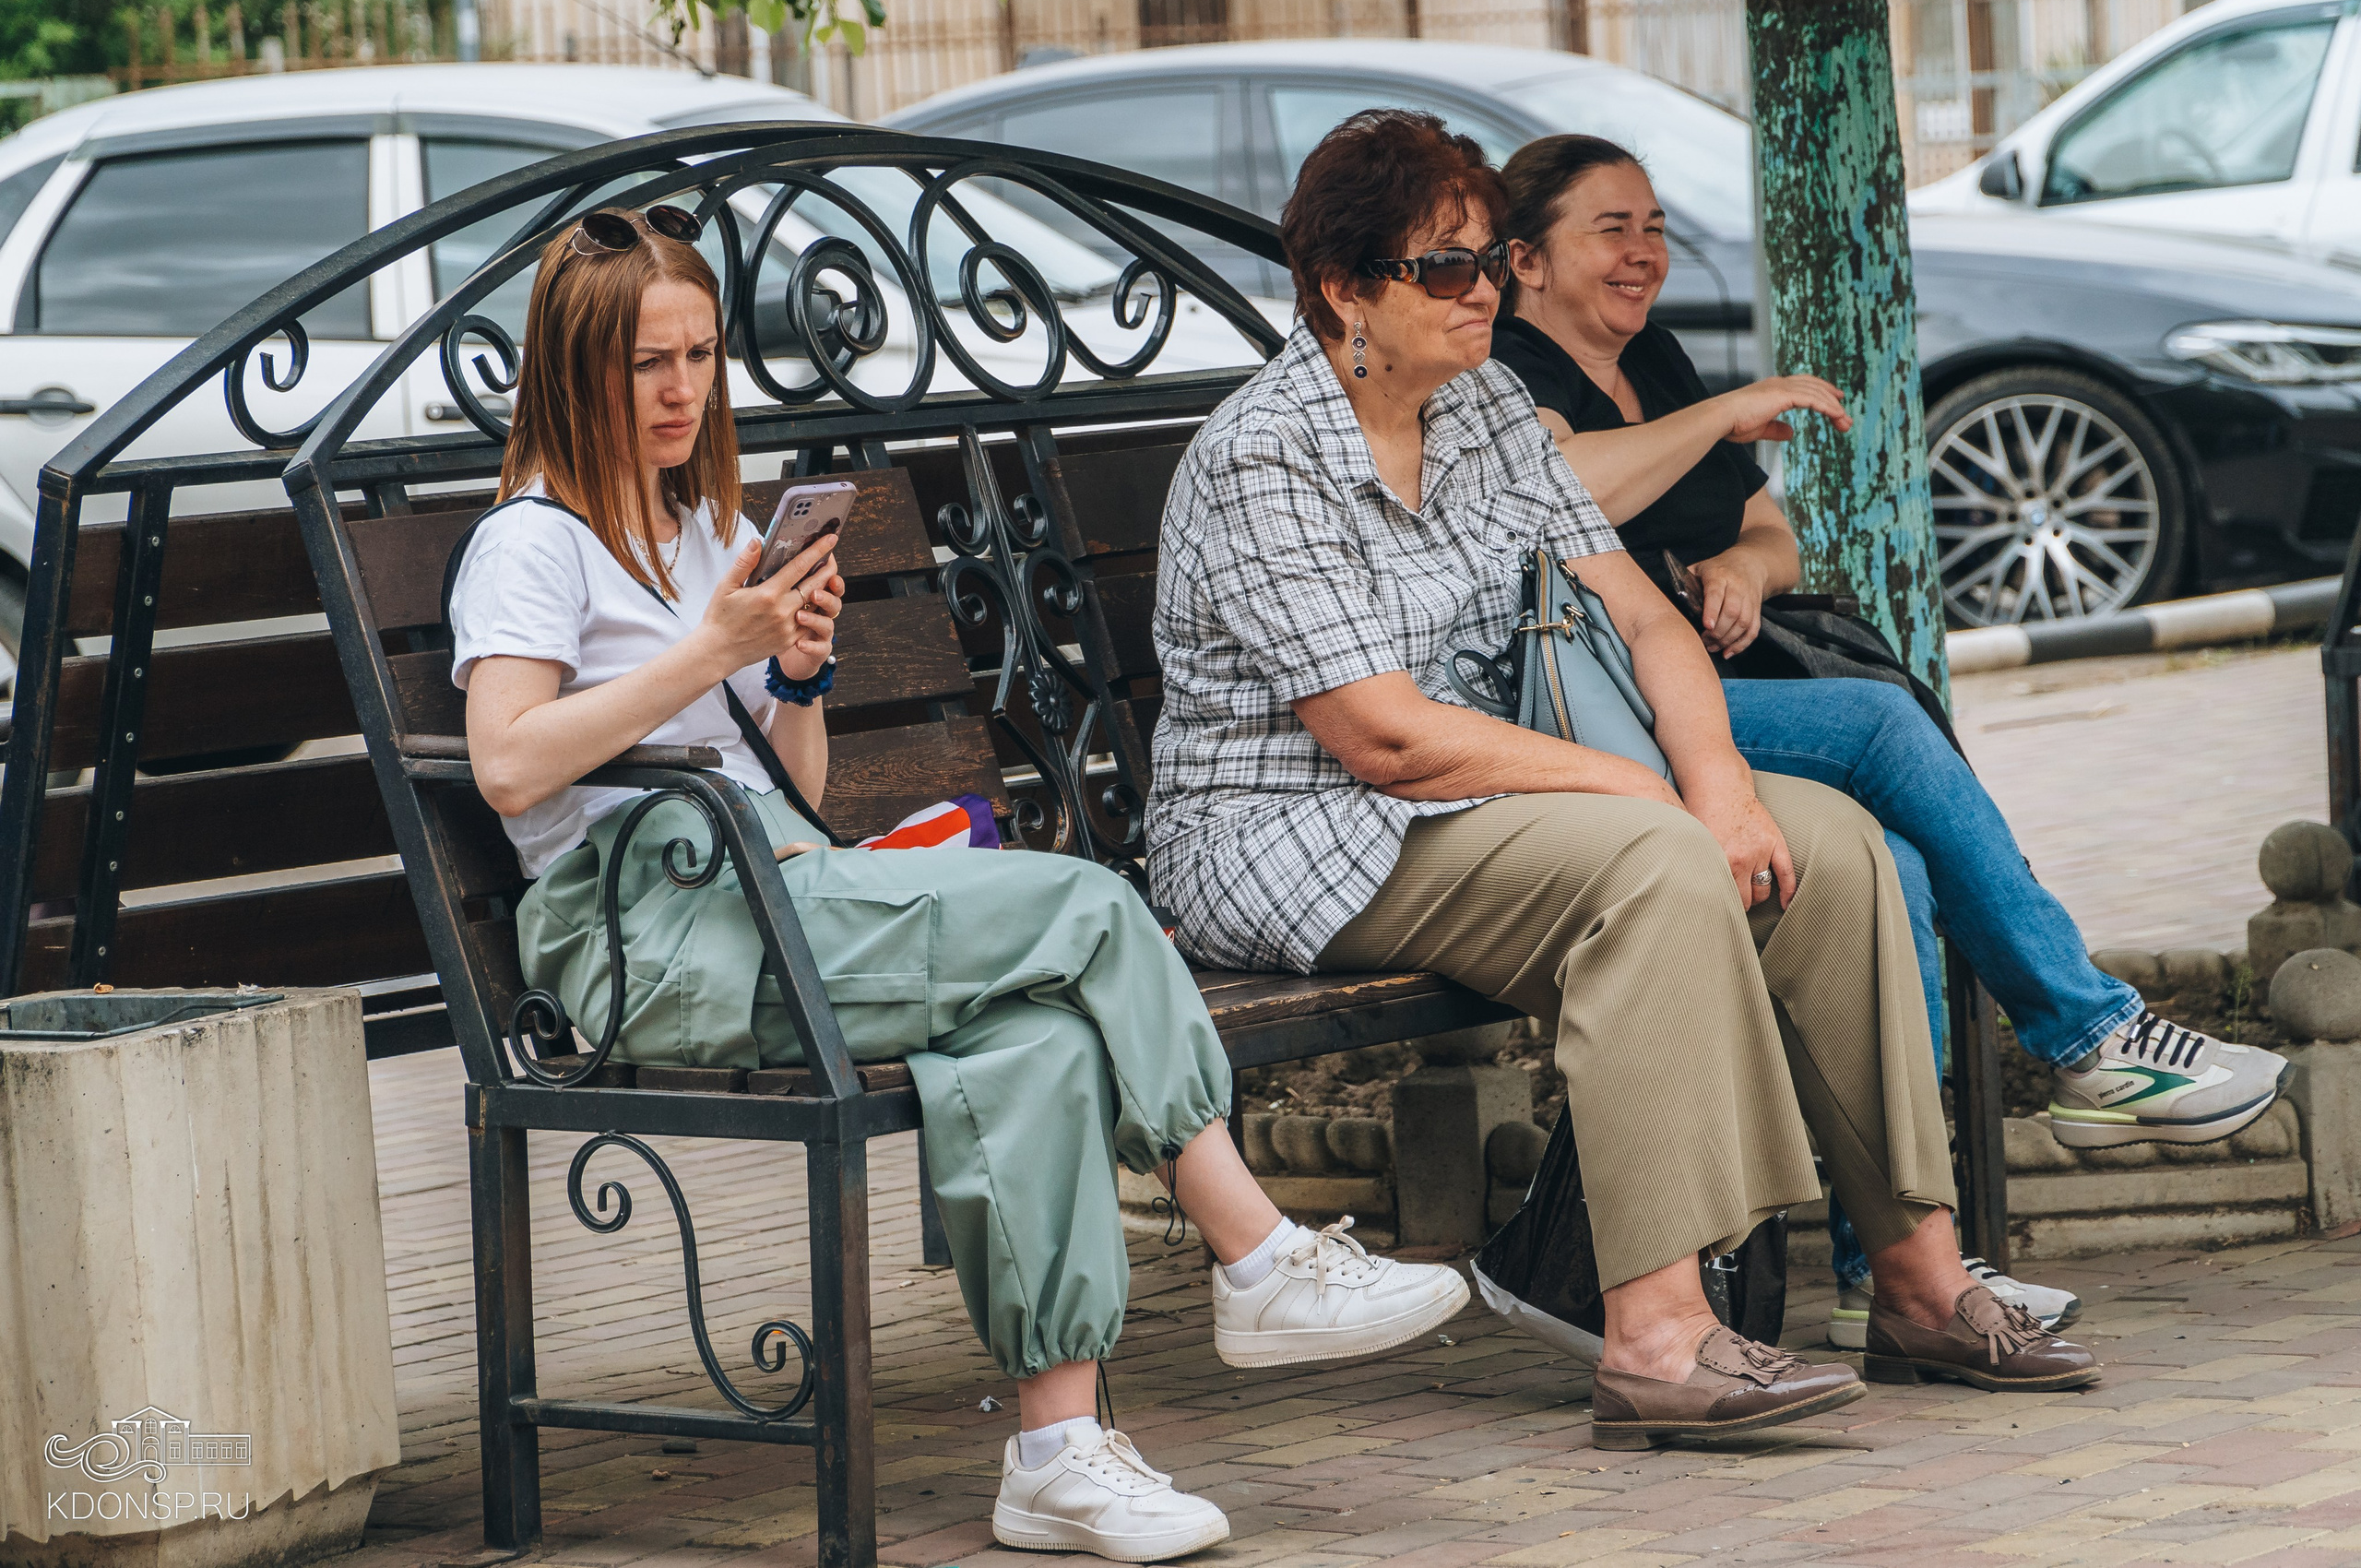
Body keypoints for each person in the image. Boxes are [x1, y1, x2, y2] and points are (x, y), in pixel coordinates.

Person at [445, 203, 1473, 1563]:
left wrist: (795, 668)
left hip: (769, 889)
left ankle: (1056, 1456)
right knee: (1091, 907)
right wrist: (710, 655)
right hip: (650, 939)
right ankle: (1257, 1252)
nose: (684, 389)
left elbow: (794, 789)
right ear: (576, 373)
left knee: (1037, 1040)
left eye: (698, 354)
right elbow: (509, 766)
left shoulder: (702, 526)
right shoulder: (533, 542)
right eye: (648, 363)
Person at [1148, 108, 2100, 1442]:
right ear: (1343, 290)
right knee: (1656, 868)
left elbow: (1645, 617)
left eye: (1486, 260)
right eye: (1443, 268)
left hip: (1476, 799)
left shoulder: (1480, 407)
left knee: (1820, 837)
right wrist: (1651, 800)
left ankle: (1919, 1281)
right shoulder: (1267, 451)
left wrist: (1716, 782)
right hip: (1293, 832)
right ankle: (1657, 1332)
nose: (1482, 291)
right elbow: (1384, 738)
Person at [1489, 132, 2287, 1348]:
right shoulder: (1505, 365)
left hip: (1697, 691)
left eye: (1651, 225)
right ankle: (2091, 1035)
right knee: (1872, 713)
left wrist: (1744, 570)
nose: (1642, 252)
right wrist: (1723, 416)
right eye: (1610, 228)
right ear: (1525, 259)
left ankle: (1898, 1273)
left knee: (1893, 872)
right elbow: (1561, 485)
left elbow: (1770, 527)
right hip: (1580, 722)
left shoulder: (1648, 356)